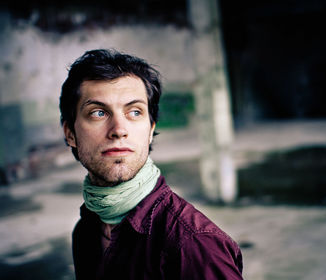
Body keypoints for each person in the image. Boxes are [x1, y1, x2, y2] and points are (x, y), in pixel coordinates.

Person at [59, 48, 244, 280]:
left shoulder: (195, 245)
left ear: (150, 130)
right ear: (70, 133)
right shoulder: (85, 231)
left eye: (135, 112)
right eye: (98, 113)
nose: (119, 130)